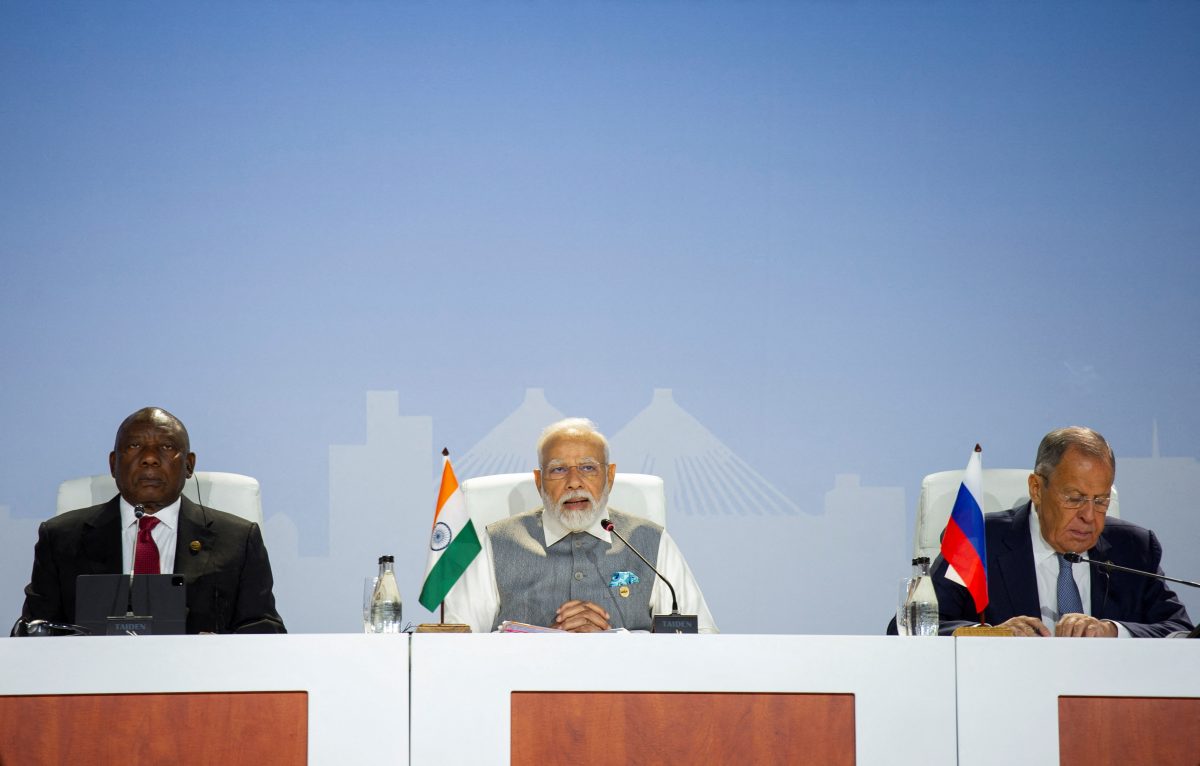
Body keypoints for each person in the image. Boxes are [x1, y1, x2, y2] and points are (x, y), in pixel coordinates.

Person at [19, 407, 286, 634]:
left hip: (199, 685)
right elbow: (35, 630)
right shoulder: (60, 538)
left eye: (167, 447)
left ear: (189, 465)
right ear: (113, 464)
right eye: (134, 446)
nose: (149, 458)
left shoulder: (237, 540)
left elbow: (264, 630)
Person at [445, 418, 717, 633]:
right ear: (539, 482)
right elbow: (461, 645)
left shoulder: (648, 542)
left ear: (609, 476)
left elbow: (700, 639)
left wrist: (617, 646)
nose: (574, 482)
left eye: (587, 468)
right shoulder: (497, 542)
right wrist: (546, 643)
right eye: (558, 470)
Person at [934, 426, 1192, 637]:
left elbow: (1180, 633)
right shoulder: (979, 541)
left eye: (1100, 500)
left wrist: (1112, 631)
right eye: (1074, 498)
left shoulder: (1134, 548)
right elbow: (913, 630)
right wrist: (993, 635)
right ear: (1036, 488)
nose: (1089, 516)